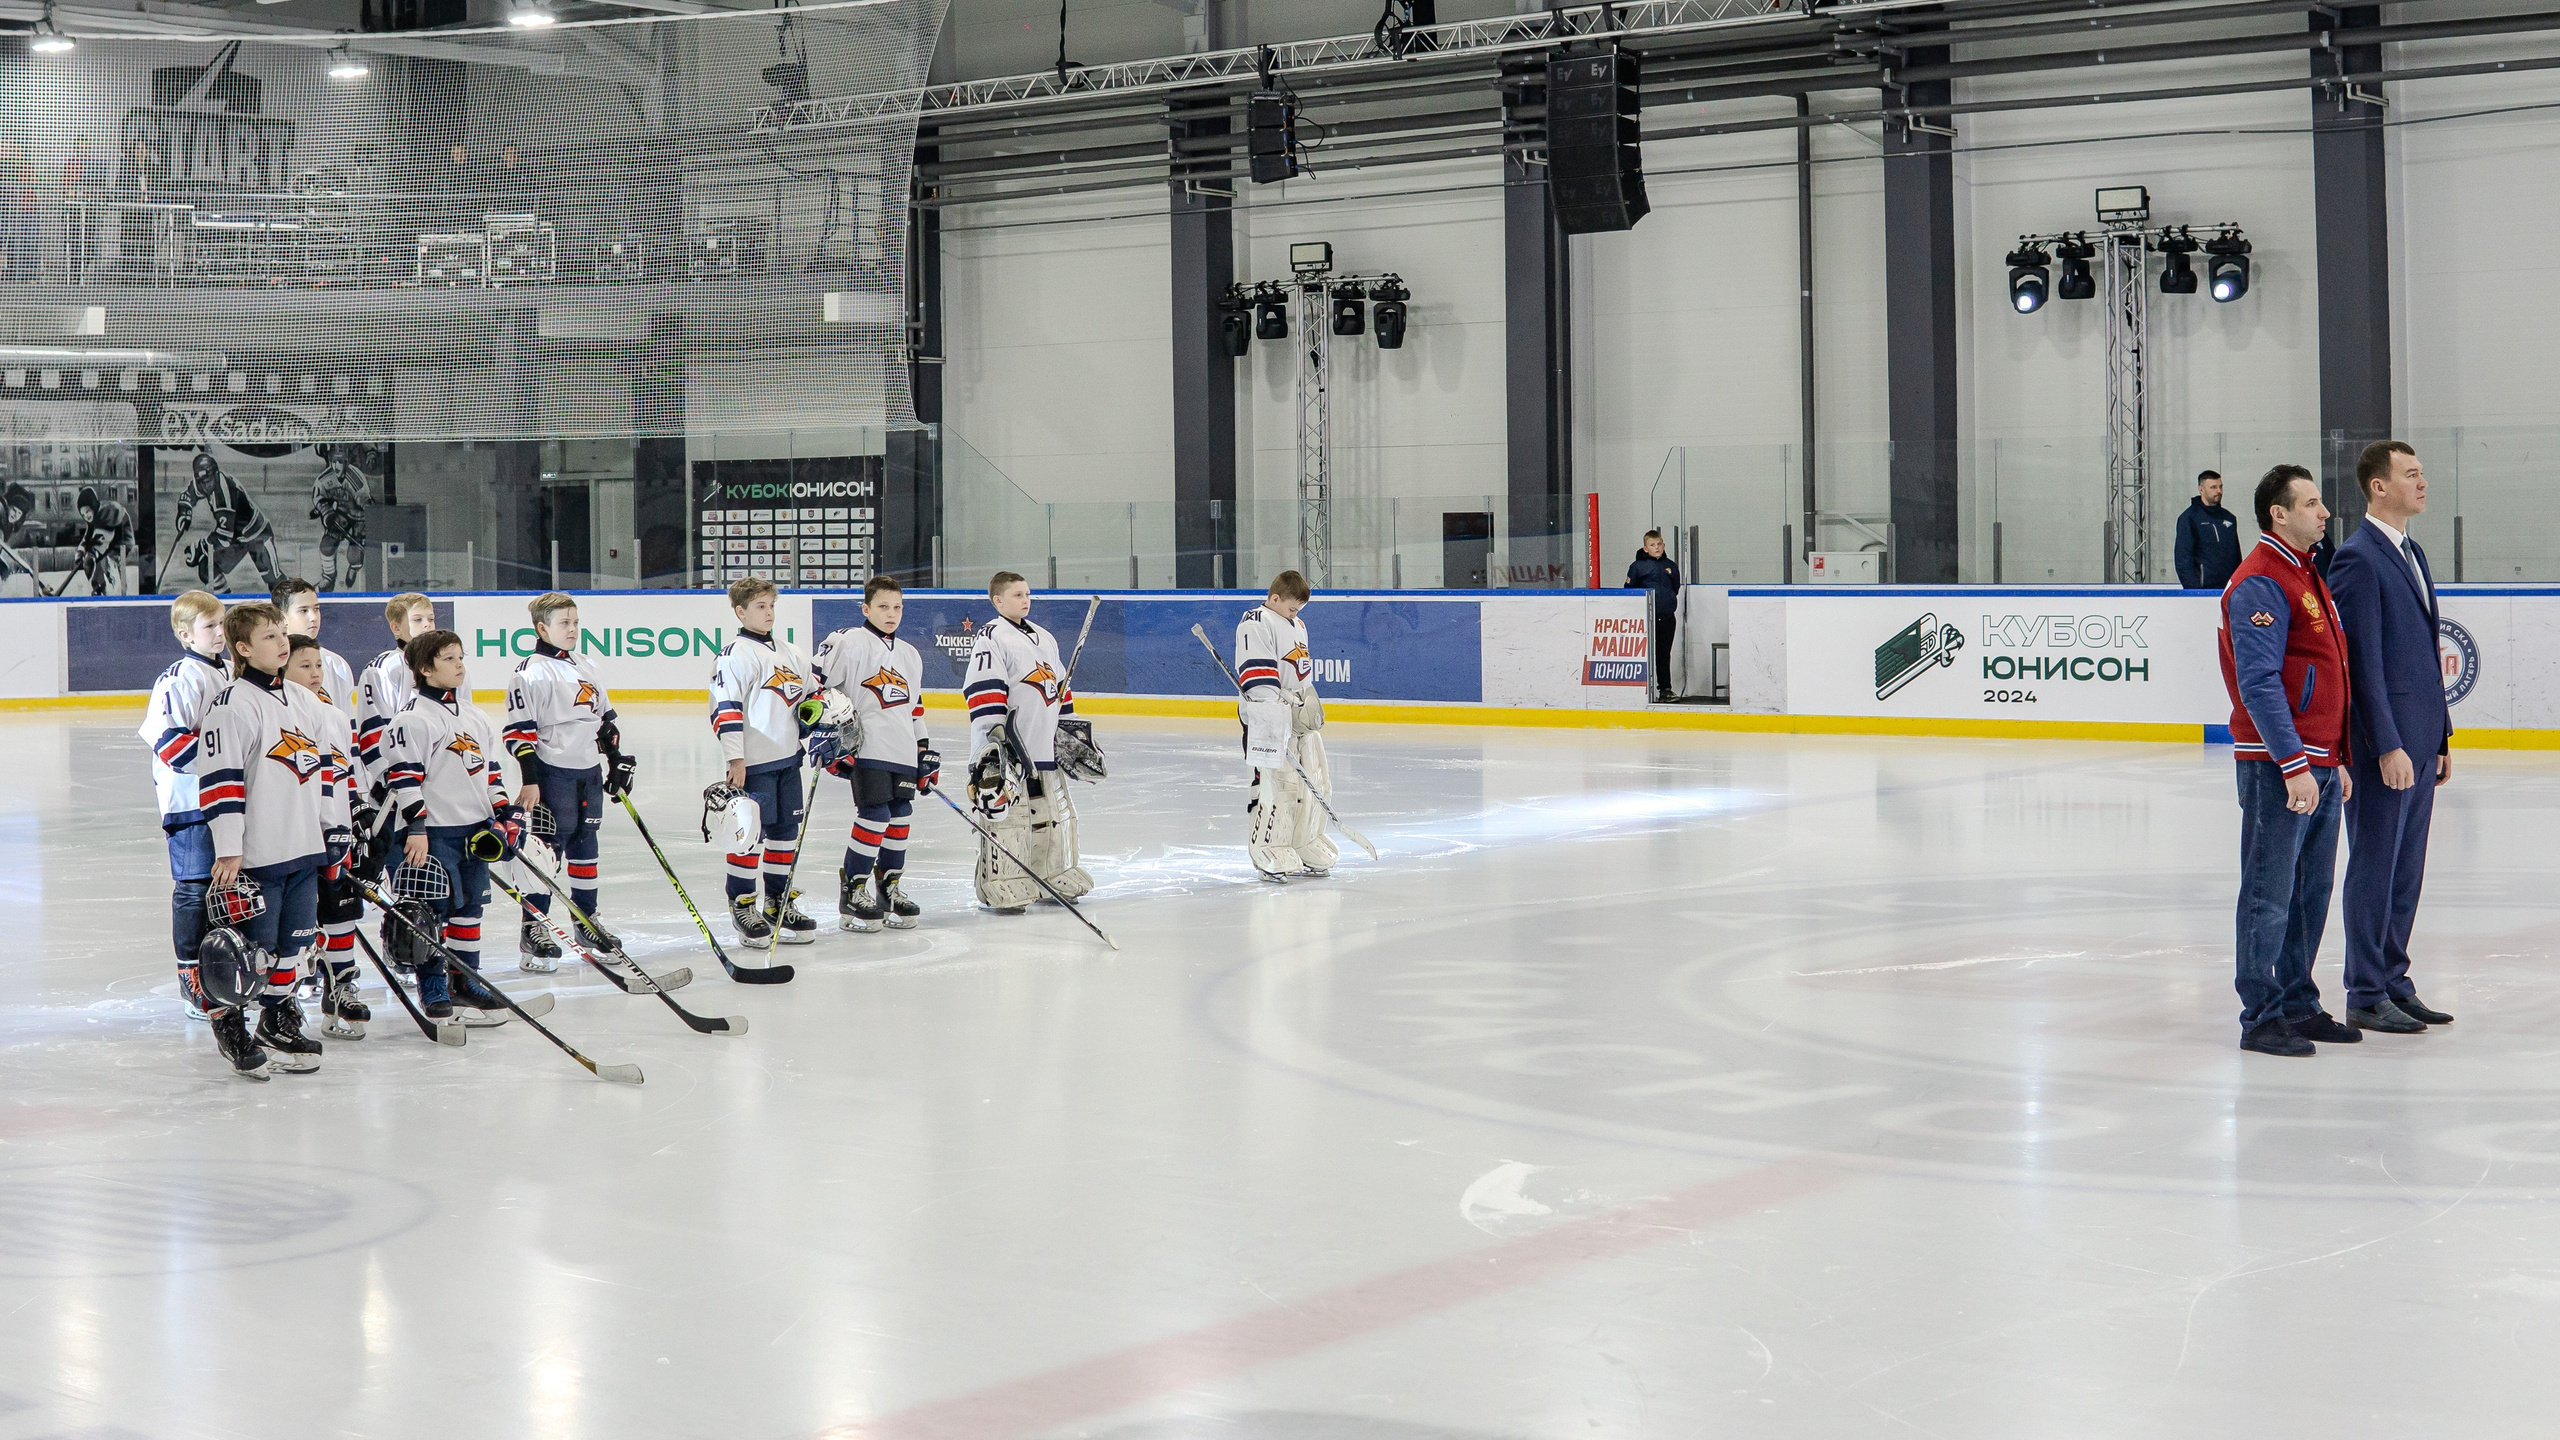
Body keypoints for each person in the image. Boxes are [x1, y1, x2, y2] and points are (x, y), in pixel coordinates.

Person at [2217, 466, 2358, 1057]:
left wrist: (2337, 758)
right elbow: (2260, 683)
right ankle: (2262, 1014)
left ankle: (2299, 1001)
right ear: (2279, 513)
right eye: (2311, 503)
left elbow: (2328, 673)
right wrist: (2293, 762)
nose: (2324, 512)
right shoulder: (2259, 579)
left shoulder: (2304, 571)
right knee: (2270, 891)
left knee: (2310, 891)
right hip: (2282, 764)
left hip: (2321, 760)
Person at [2327, 439, 2456, 1035]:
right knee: (2376, 865)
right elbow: (2364, 663)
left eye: (2423, 473)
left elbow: (2424, 655)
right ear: (2378, 486)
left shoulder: (2413, 552)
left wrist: (2441, 737)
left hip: (2422, 737)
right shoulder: (2358, 558)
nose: (2423, 482)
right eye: (2411, 474)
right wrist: (2386, 744)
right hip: (2389, 745)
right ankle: (2364, 989)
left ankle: (2395, 981)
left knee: (2407, 867)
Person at [198, 602, 335, 1078]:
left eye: (283, 634)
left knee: (293, 944)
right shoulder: (232, 703)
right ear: (242, 648)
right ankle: (229, 1018)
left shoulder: (303, 701)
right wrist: (229, 846)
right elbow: (221, 781)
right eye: (270, 637)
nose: (283, 643)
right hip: (257, 850)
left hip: (302, 846)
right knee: (251, 949)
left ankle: (277, 1019)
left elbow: (326, 771)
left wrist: (333, 829)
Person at [382, 628, 524, 1024]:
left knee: (469, 910)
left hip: (475, 831)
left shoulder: (475, 717)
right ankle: (433, 987)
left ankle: (465, 981)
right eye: (449, 659)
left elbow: (489, 773)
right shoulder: (411, 720)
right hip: (434, 832)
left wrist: (504, 812)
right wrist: (416, 828)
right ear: (425, 669)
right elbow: (404, 779)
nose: (460, 665)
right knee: (428, 911)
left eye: (461, 657)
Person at [812, 574, 937, 931]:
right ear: (866, 608)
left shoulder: (911, 655)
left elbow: (914, 709)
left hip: (901, 750)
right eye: (883, 606)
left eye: (897, 607)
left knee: (900, 814)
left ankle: (889, 888)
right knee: (875, 813)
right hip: (866, 748)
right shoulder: (848, 642)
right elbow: (818, 687)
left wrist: (923, 751)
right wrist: (825, 732)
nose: (891, 613)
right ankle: (854, 889)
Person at [962, 571, 1093, 912]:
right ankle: (1000, 880)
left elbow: (1060, 689)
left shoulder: (1045, 638)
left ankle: (1051, 873)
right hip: (1010, 746)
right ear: (998, 601)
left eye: (1027, 594)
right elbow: (983, 689)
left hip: (1043, 744)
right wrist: (995, 743)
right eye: (1017, 595)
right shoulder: (992, 636)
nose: (1025, 600)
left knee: (1052, 813)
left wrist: (1068, 731)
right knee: (1009, 816)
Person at [503, 592, 621, 967]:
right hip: (552, 774)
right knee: (545, 851)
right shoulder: (530, 672)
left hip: (588, 771)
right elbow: (519, 735)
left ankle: (587, 920)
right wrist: (530, 781)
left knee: (586, 846)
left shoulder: (587, 664)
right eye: (563, 623)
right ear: (542, 628)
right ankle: (533, 927)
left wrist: (616, 760)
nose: (572, 630)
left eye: (575, 622)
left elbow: (605, 721)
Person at [709, 576, 818, 947]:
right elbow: (725, 710)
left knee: (786, 835)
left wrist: (821, 719)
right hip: (753, 764)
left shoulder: (792, 653)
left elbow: (813, 698)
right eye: (760, 606)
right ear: (740, 612)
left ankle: (777, 902)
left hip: (789, 760)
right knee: (748, 838)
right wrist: (735, 758)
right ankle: (742, 904)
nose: (769, 612)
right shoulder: (734, 655)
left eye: (771, 605)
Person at [141, 590, 227, 1022]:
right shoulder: (177, 678)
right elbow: (173, 745)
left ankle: (221, 970)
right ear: (184, 633)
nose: (219, 633)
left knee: (226, 889)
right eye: (209, 626)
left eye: (222, 623)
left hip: (227, 801)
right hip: (191, 803)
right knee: (194, 889)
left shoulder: (230, 672)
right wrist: (231, 765)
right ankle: (191, 974)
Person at [284, 633, 371, 1040]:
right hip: (294, 834)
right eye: (305, 666)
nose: (316, 673)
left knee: (341, 910)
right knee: (295, 919)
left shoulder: (334, 715)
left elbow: (348, 771)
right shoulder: (281, 715)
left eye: (318, 666)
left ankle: (341, 989)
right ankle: (283, 995)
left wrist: (356, 813)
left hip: (336, 834)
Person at [1233, 570, 1338, 881]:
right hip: (1270, 716)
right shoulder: (1256, 620)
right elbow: (1258, 676)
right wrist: (1274, 712)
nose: (1295, 614)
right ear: (1275, 598)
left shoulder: (1298, 624)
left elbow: (1299, 671)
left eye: (1299, 611)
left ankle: (1304, 840)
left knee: (1315, 778)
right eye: (1292, 608)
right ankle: (1268, 845)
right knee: (1279, 782)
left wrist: (1306, 701)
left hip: (1297, 715)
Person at [174, 451, 284, 591]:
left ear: (215, 474)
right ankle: (225, 604)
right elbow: (189, 493)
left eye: (208, 481)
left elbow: (224, 536)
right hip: (236, 538)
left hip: (257, 535)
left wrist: (200, 546)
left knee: (275, 582)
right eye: (202, 482)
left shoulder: (224, 494)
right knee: (206, 567)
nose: (206, 486)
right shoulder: (203, 483)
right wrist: (185, 511)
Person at [356, 593, 437, 778]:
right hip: (401, 775)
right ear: (396, 628)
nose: (427, 624)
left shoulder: (446, 666)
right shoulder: (383, 669)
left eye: (431, 619)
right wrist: (386, 776)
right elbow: (373, 729)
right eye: (417, 619)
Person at [273, 579, 356, 720]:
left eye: (316, 609)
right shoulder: (271, 664)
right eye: (303, 611)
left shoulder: (337, 664)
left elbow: (347, 724)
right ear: (281, 616)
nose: (313, 617)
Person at [1624, 530, 1681, 701]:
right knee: (1643, 653)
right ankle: (1639, 688)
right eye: (1652, 545)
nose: (1656, 548)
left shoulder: (1671, 565)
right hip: (1645, 619)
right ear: (1645, 548)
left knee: (1664, 654)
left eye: (1659, 544)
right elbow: (1629, 591)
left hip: (1667, 617)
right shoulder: (1637, 567)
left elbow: (1675, 588)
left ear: (1663, 546)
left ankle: (1665, 689)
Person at [310, 446, 372, 592]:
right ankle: (329, 577)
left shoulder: (357, 480)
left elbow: (366, 506)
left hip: (359, 516)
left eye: (340, 462)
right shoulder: (323, 479)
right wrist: (327, 513)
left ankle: (354, 567)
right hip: (341, 513)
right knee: (327, 545)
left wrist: (364, 528)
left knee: (355, 553)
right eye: (334, 462)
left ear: (346, 462)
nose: (337, 466)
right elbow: (318, 499)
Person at [2174, 470, 2242, 590]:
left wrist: (2238, 584)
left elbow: (2236, 556)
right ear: (2201, 489)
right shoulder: (2189, 518)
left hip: (2228, 589)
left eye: (2220, 487)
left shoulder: (2229, 518)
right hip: (2202, 590)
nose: (2219, 491)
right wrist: (2194, 590)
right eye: (2213, 487)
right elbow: (2183, 559)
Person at [71, 486, 131, 595]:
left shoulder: (108, 510)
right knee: (94, 563)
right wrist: (80, 554)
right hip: (108, 544)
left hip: (120, 542)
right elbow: (87, 537)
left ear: (93, 506)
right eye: (83, 514)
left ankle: (116, 590)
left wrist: (93, 550)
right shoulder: (94, 520)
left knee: (108, 563)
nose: (86, 516)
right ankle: (98, 587)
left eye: (87, 511)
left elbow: (105, 534)